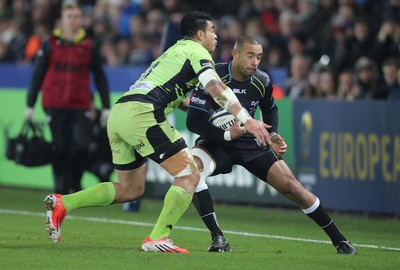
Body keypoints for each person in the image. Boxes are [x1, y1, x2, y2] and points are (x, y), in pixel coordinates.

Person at [41, 11, 271, 253]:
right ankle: (157, 237)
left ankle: (63, 203)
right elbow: (215, 86)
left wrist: (209, 114)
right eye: (213, 30)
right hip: (143, 113)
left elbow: (180, 100)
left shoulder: (173, 52)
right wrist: (247, 118)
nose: (216, 35)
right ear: (200, 33)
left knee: (131, 189)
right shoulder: (198, 52)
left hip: (122, 112)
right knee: (190, 174)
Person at [187, 36, 357, 255]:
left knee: (293, 188)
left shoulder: (262, 80)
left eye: (259, 57)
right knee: (191, 170)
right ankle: (218, 238)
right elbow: (193, 121)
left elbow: (270, 109)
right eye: (250, 56)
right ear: (235, 54)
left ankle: (340, 241)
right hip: (216, 140)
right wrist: (227, 134)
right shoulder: (213, 77)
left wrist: (273, 134)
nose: (255, 62)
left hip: (249, 141)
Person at [25, 0, 110, 195]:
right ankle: (60, 189)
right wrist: (30, 104)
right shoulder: (50, 45)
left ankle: (74, 182)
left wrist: (105, 105)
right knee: (61, 147)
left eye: (77, 17)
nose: (74, 20)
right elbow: (38, 74)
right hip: (54, 103)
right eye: (70, 17)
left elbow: (99, 76)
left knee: (81, 145)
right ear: (61, 20)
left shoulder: (89, 46)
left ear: (82, 20)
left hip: (80, 104)